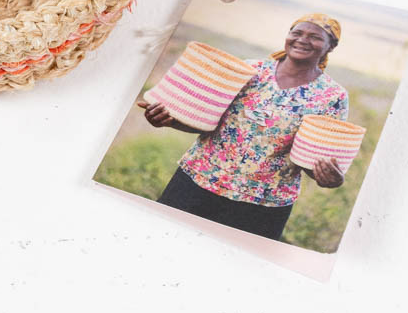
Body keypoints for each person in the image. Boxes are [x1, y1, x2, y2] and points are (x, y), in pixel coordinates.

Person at [138, 14, 349, 241]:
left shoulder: (332, 96)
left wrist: (328, 177)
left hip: (263, 204)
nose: (302, 40)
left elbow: (313, 159)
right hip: (199, 181)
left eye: (315, 37)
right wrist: (170, 121)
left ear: (331, 46)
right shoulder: (249, 70)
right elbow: (206, 123)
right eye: (296, 33)